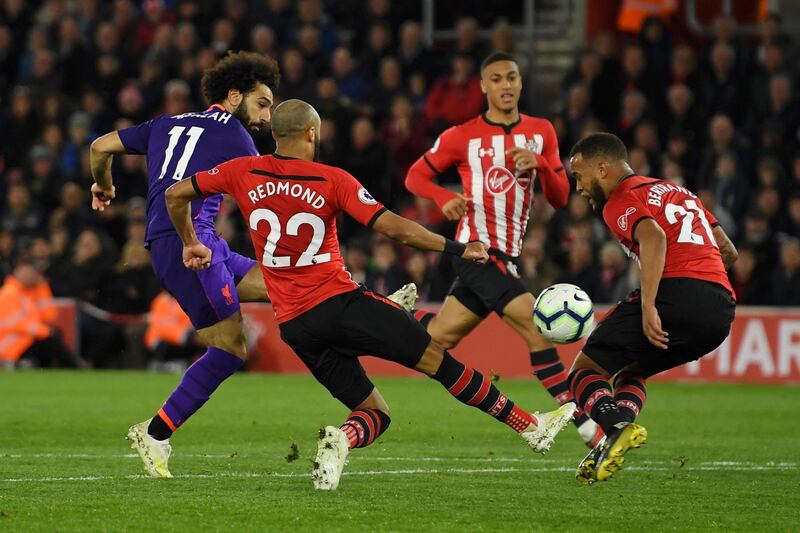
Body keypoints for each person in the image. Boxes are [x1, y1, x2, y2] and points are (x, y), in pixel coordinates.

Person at [165, 99, 577, 490]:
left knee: (374, 413)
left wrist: (189, 241)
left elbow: (175, 194)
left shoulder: (241, 171)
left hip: (294, 325)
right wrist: (456, 247)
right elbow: (395, 229)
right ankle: (531, 427)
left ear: (275, 133)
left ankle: (341, 440)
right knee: (440, 362)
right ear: (312, 133)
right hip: (340, 302)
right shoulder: (333, 179)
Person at [88, 51, 280, 478]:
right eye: (262, 102)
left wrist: (104, 185)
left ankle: (373, 303)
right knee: (230, 348)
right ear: (234, 96)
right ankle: (155, 432)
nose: (267, 116)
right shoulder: (235, 134)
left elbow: (99, 146)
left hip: (195, 243)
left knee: (281, 282)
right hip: (191, 247)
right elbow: (265, 197)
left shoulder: (164, 124)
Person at [405, 52, 602, 447]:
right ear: (483, 86)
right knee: (538, 327)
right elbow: (415, 176)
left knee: (441, 337)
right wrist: (444, 197)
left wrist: (544, 165)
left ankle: (394, 311)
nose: (506, 85)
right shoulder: (463, 135)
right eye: (496, 79)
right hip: (477, 251)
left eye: (512, 77)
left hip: (507, 254)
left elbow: (562, 198)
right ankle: (588, 428)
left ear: (521, 82)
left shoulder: (542, 130)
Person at [568, 132, 737, 484]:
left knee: (584, 370)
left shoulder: (620, 198)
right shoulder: (680, 192)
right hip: (720, 310)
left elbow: (654, 237)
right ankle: (618, 432)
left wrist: (649, 306)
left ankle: (613, 429)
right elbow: (729, 251)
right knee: (632, 369)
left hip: (676, 294)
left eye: (580, 176)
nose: (579, 187)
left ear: (602, 169)